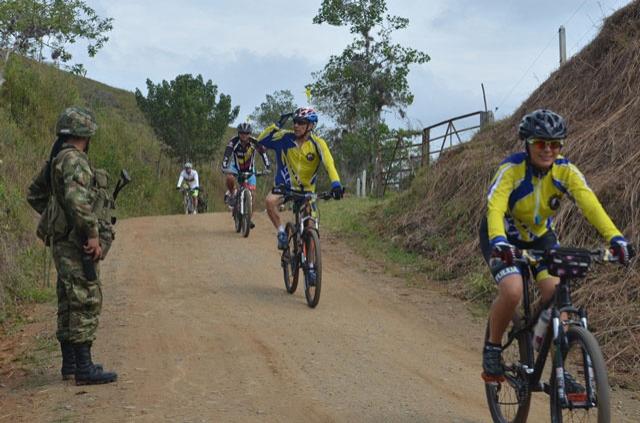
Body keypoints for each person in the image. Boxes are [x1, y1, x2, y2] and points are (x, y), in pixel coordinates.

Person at [480, 109, 635, 384]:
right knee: (513, 289)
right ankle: (493, 347)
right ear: (527, 144)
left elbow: (590, 204)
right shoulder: (511, 170)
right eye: (540, 143)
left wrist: (616, 238)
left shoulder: (565, 171)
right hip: (503, 236)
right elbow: (495, 208)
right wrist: (499, 241)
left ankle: (559, 371)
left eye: (555, 144)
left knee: (556, 295)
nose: (548, 150)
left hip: (540, 237)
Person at [27, 106, 118, 385]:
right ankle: (84, 368)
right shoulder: (75, 161)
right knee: (85, 299)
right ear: (85, 133)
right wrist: (90, 234)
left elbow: (35, 194)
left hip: (63, 240)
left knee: (68, 300)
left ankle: (71, 364)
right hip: (76, 241)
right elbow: (78, 201)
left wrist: (57, 218)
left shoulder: (57, 157)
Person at [257, 107, 343, 250]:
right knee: (269, 201)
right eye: (295, 122)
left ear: (310, 126)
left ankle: (310, 265)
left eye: (301, 122)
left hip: (307, 191)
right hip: (285, 187)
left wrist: (336, 184)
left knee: (311, 226)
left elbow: (329, 164)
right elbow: (260, 142)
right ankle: (281, 232)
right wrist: (277, 125)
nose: (296, 125)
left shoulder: (318, 143)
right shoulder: (284, 137)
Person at [221, 122, 271, 226]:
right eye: (242, 133)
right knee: (229, 177)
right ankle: (232, 193)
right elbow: (227, 153)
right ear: (239, 133)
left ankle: (249, 218)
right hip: (236, 168)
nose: (244, 135)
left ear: (250, 133)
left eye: (247, 133)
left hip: (250, 169)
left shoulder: (254, 142)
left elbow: (263, 153)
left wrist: (267, 166)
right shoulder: (233, 142)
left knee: (252, 194)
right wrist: (224, 164)